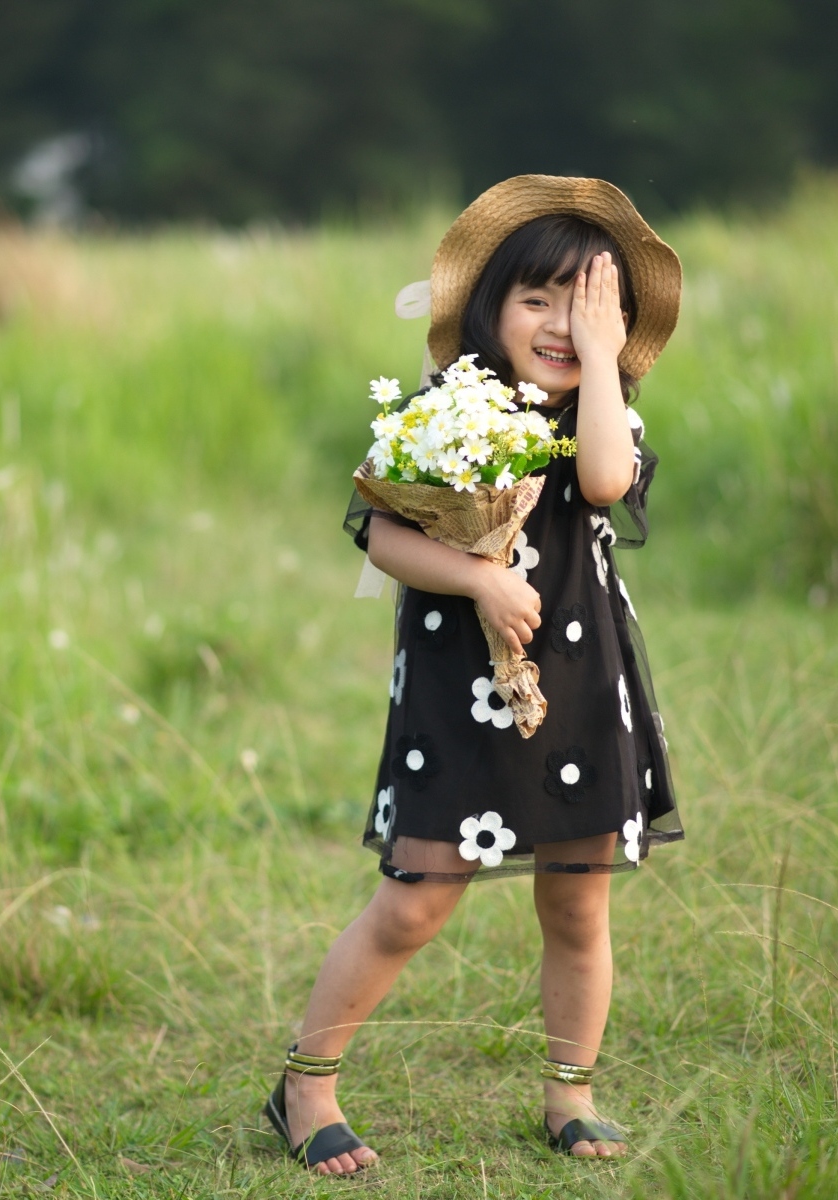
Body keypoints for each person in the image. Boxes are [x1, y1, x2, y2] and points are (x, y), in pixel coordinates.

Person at [264, 175, 686, 1174]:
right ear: (488, 306)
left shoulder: (602, 413)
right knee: (415, 896)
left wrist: (599, 362)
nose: (559, 324)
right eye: (537, 299)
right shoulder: (443, 411)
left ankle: (568, 1091)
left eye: (591, 305)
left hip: (580, 686)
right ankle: (304, 1084)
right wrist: (478, 582)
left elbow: (603, 484)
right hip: (458, 689)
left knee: (579, 902)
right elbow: (381, 536)